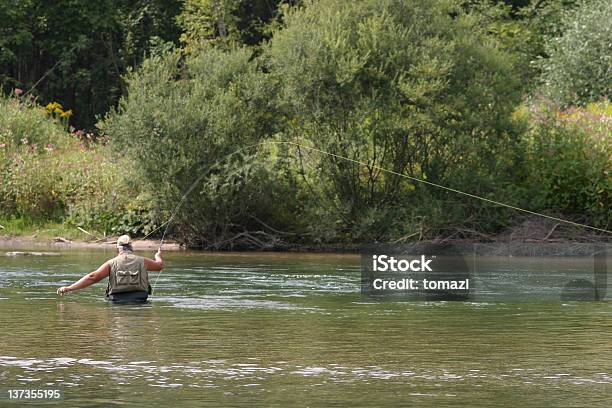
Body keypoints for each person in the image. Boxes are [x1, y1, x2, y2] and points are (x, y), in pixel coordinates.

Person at [56, 235, 163, 303]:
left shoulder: (111, 263)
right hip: (140, 300)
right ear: (131, 247)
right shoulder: (143, 261)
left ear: (118, 248)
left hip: (117, 301)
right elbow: (159, 266)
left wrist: (69, 288)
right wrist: (158, 255)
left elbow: (93, 277)